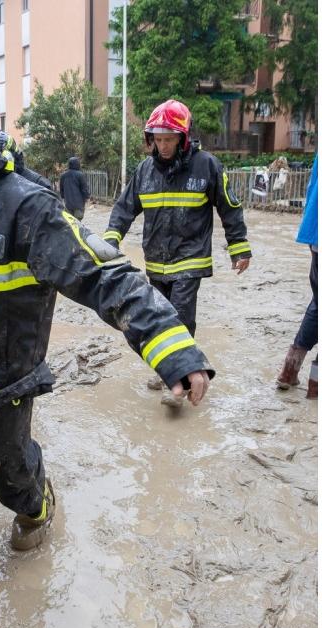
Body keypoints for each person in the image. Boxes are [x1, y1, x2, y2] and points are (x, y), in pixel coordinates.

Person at [0, 76, 215, 628]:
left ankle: (37, 503)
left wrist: (174, 351)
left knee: (12, 481)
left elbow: (104, 276)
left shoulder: (25, 207)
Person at [104, 99, 252, 406]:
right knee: (158, 318)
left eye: (169, 140)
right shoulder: (145, 171)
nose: (163, 146)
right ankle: (166, 371)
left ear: (183, 138)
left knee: (181, 318)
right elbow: (123, 209)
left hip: (191, 259)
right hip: (156, 262)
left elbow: (230, 208)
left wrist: (239, 247)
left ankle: (181, 382)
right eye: (157, 140)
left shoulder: (207, 166)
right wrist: (110, 240)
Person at [276, 155, 318, 398]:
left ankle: (289, 371)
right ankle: (315, 384)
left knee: (318, 303)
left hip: (316, 234)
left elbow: (313, 187)